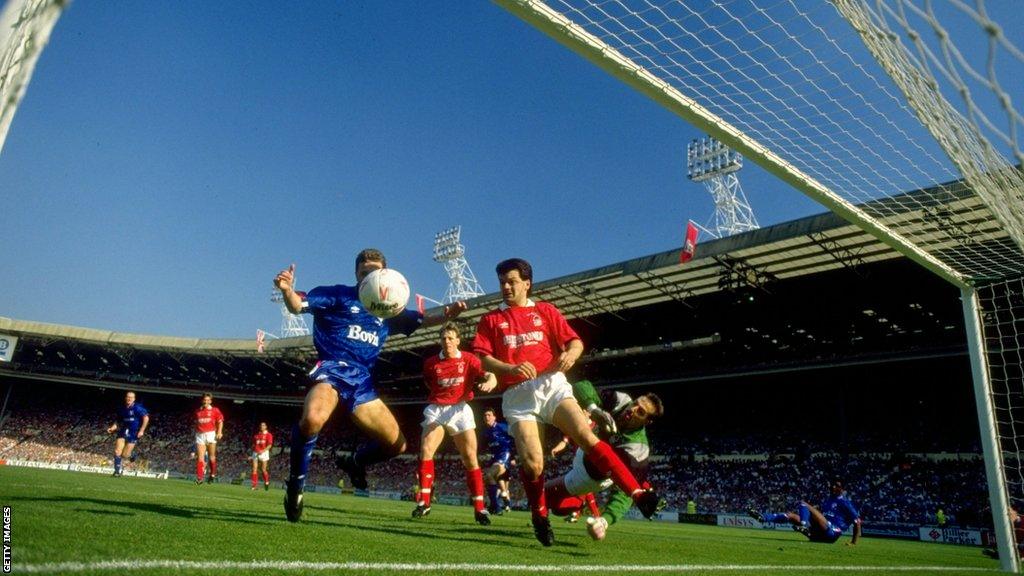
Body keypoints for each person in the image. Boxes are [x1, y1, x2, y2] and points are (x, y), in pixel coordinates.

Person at [472, 257, 662, 546]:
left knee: (586, 435)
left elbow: (575, 342)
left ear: (527, 283)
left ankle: (637, 494)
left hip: (552, 385)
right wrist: (508, 369)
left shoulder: (546, 311)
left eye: (511, 281)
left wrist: (572, 353)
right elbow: (482, 356)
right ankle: (539, 514)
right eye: (502, 282)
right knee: (533, 464)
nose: (506, 287)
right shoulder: (490, 320)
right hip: (518, 395)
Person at [274, 249, 465, 522]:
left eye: (374, 271)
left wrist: (449, 315)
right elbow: (296, 305)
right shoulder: (337, 294)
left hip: (362, 383)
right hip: (333, 370)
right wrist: (287, 290)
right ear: (357, 275)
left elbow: (421, 320)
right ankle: (296, 485)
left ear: (383, 274)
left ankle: (355, 462)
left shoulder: (388, 309)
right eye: (364, 272)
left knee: (396, 446)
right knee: (312, 419)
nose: (369, 275)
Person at [543, 379, 665, 540]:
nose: (632, 409)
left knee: (543, 495)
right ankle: (577, 501)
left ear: (647, 422)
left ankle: (575, 503)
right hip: (586, 446)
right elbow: (582, 386)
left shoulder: (637, 449)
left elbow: (626, 493)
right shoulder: (621, 401)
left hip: (589, 475)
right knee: (578, 411)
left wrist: (605, 521)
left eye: (640, 412)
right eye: (635, 403)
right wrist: (594, 409)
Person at [413, 321, 497, 525]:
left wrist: (491, 380)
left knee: (470, 458)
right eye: (443, 338)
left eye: (451, 338)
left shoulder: (469, 359)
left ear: (458, 340)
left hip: (460, 409)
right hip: (437, 409)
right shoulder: (431, 362)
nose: (447, 341)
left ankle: (480, 508)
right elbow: (428, 381)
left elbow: (487, 374)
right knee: (426, 450)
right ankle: (424, 502)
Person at [749, 479, 862, 545]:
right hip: (818, 534)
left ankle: (805, 526)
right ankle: (763, 518)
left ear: (842, 489)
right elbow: (819, 514)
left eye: (836, 486)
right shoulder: (828, 500)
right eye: (832, 484)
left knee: (803, 504)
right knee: (791, 516)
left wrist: (853, 542)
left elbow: (857, 522)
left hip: (831, 532)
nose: (832, 487)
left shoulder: (846, 502)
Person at [106, 391, 149, 477]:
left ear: (134, 399)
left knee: (125, 455)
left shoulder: (137, 408)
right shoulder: (122, 408)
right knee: (117, 451)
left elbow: (146, 417)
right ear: (125, 398)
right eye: (128, 397)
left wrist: (142, 430)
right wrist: (113, 427)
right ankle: (117, 472)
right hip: (123, 430)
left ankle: (132, 455)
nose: (129, 398)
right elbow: (118, 420)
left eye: (131, 397)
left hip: (133, 432)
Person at [482, 407, 515, 514]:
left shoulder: (502, 427)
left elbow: (515, 437)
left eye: (489, 415)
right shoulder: (486, 433)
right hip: (494, 458)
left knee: (489, 476)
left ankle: (495, 506)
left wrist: (513, 457)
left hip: (504, 456)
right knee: (493, 480)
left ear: (494, 417)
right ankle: (503, 503)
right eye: (485, 415)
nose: (487, 417)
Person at [194, 393, 224, 484]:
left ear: (210, 401)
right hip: (200, 435)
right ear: (202, 400)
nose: (206, 401)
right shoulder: (197, 411)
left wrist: (219, 432)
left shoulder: (215, 410)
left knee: (211, 457)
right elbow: (197, 423)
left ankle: (212, 473)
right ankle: (200, 477)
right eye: (204, 400)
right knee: (200, 458)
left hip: (211, 434)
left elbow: (220, 421)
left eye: (208, 400)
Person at [250, 421, 274, 491]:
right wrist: (253, 452)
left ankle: (266, 482)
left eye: (263, 425)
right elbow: (254, 444)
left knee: (263, 469)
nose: (261, 426)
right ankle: (254, 486)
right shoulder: (256, 435)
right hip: (256, 452)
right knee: (254, 469)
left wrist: (262, 451)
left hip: (264, 453)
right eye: (261, 425)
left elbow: (269, 445)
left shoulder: (269, 435)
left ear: (266, 427)